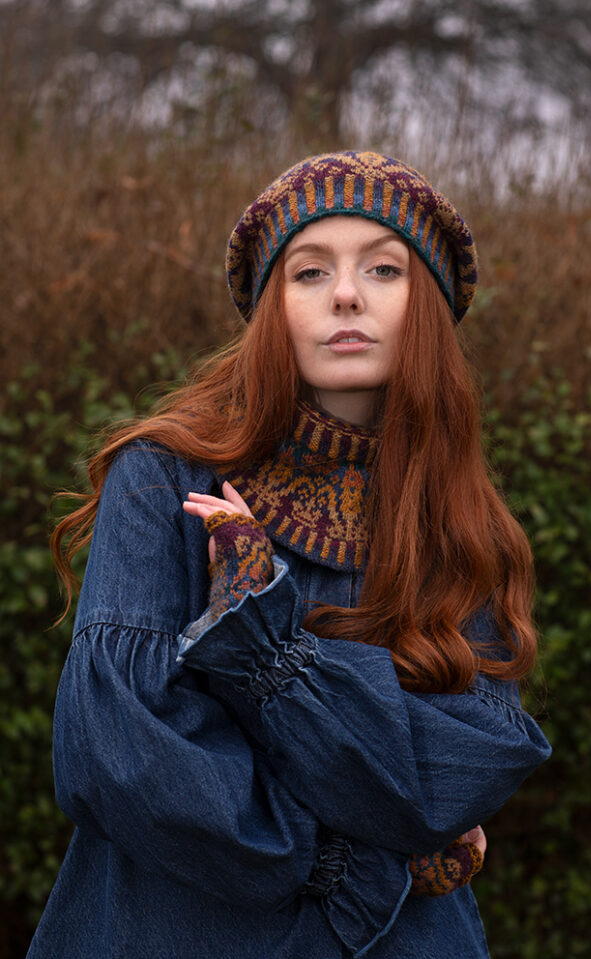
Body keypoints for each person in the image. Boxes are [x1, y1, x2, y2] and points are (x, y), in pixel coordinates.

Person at [29, 151, 551, 959]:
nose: (346, 293)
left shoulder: (463, 527)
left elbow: (462, 767)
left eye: (383, 267)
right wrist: (354, 858)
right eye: (309, 272)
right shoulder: (165, 479)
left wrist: (263, 642)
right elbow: (120, 751)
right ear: (273, 306)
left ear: (430, 307)